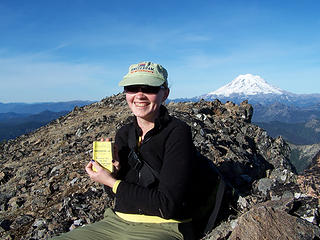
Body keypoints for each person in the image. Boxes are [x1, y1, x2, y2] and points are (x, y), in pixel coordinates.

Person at [52, 61, 195, 240]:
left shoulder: (178, 132)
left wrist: (113, 183)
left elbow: (166, 205)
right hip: (115, 221)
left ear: (164, 93)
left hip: (164, 226)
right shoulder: (124, 133)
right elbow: (117, 195)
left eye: (149, 88)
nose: (139, 95)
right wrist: (112, 174)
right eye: (132, 88)